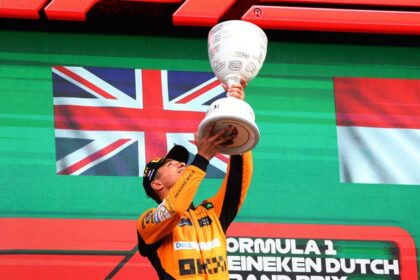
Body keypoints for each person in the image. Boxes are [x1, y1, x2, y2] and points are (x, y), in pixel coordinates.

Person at [137, 82, 253, 279]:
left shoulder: (211, 212)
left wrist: (237, 117)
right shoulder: (147, 223)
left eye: (183, 162)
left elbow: (238, 179)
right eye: (171, 164)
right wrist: (202, 158)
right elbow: (174, 209)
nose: (183, 165)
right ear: (157, 184)